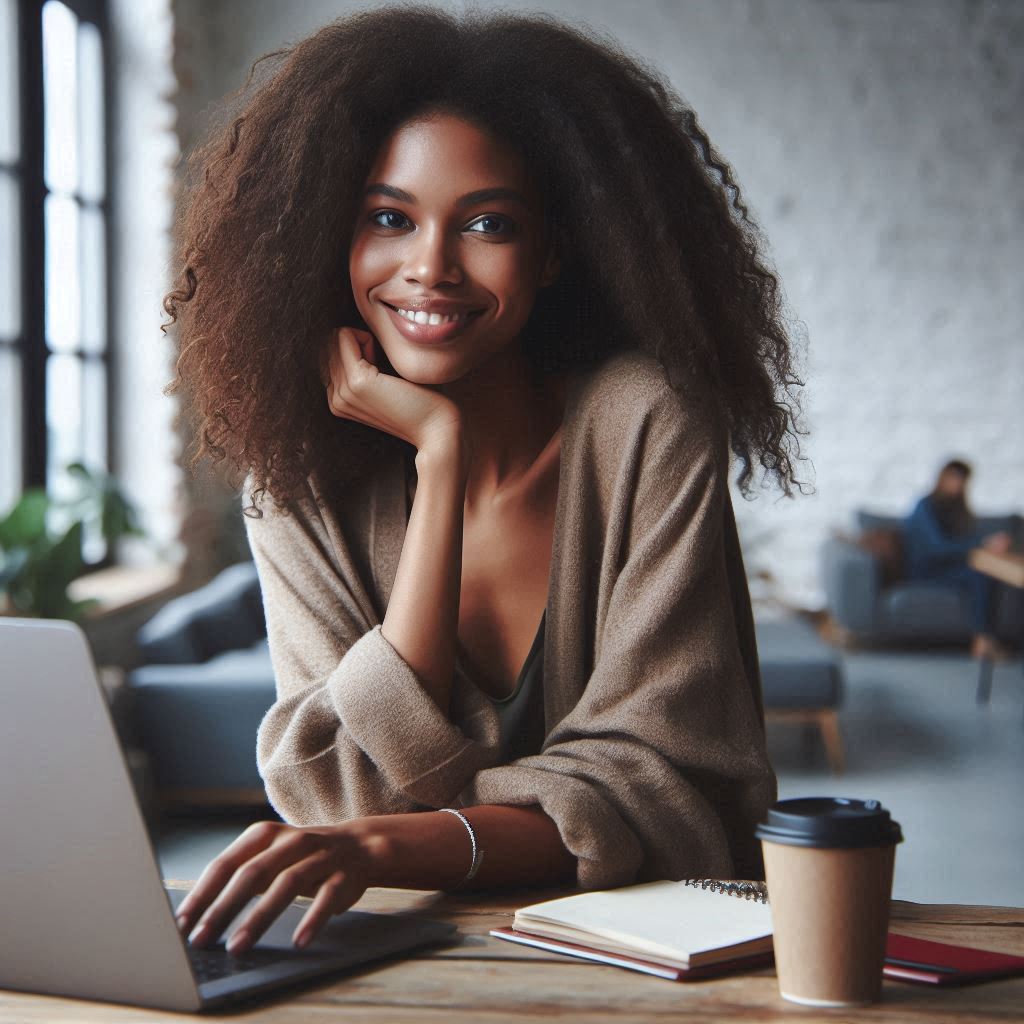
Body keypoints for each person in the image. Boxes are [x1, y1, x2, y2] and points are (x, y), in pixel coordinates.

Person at [161, 5, 808, 957]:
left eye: (487, 224)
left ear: (551, 254)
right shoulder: (294, 469)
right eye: (388, 218)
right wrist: (440, 456)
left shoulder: (642, 420)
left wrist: (395, 839)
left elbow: (675, 788)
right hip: (399, 957)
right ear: (327, 238)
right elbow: (338, 785)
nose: (430, 268)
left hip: (659, 959)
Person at [903, 459, 1013, 659]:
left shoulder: (956, 509)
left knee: (989, 572)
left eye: (963, 481)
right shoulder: (925, 506)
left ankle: (986, 638)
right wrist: (981, 544)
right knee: (979, 575)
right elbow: (938, 548)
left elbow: (963, 540)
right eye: (955, 479)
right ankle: (983, 640)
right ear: (943, 478)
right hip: (927, 570)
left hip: (949, 566)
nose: (959, 485)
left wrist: (986, 544)